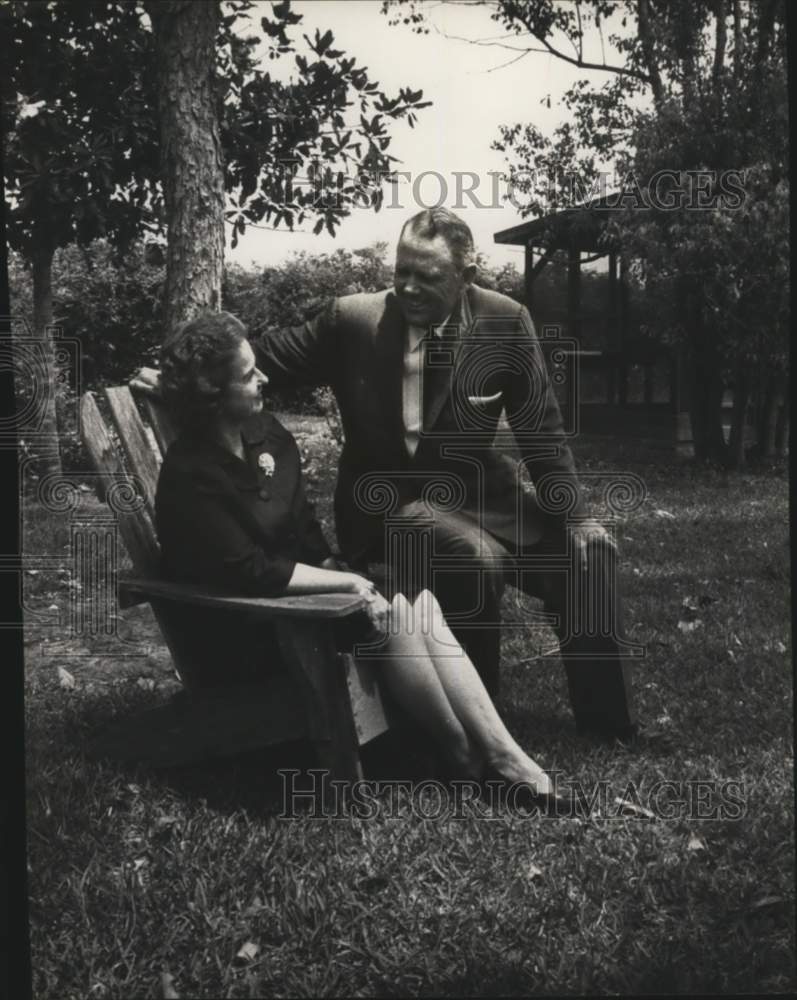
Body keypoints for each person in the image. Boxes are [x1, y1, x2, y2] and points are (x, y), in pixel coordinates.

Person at [136, 207, 636, 741]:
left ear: (466, 277)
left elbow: (541, 428)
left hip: (483, 496)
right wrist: (180, 380)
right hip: (388, 508)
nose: (409, 287)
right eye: (401, 272)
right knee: (474, 556)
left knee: (584, 560)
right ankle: (478, 730)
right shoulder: (352, 321)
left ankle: (609, 726)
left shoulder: (504, 321)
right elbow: (261, 361)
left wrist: (576, 517)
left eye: (428, 277)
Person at [154, 310, 565, 801]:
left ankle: (500, 758)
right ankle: (467, 758)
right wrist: (346, 584)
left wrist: (335, 568)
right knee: (394, 615)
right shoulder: (191, 475)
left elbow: (304, 532)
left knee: (419, 606)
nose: (263, 378)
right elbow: (249, 571)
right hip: (251, 631)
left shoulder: (268, 437)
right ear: (210, 393)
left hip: (294, 606)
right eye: (248, 374)